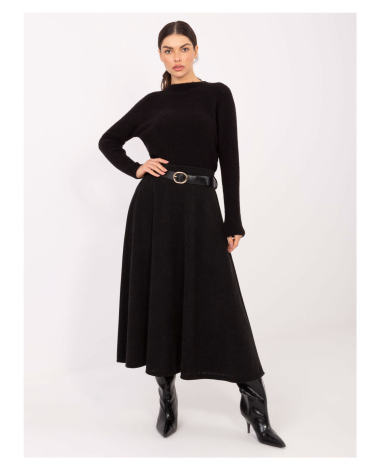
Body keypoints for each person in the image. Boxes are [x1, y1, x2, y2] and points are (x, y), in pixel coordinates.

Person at [98, 20, 286, 448]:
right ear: (160, 56)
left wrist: (233, 220)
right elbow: (109, 141)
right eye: (168, 50)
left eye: (184, 48)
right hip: (155, 208)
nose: (177, 57)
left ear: (196, 51)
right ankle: (166, 397)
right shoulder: (151, 103)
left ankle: (255, 405)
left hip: (202, 208)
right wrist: (136, 168)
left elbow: (230, 158)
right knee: (162, 295)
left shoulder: (217, 94)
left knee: (222, 301)